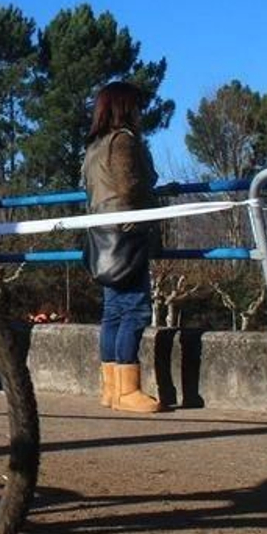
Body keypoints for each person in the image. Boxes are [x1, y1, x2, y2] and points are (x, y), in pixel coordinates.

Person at [81, 82, 162, 414]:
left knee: (113, 312)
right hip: (127, 236)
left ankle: (112, 388)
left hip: (102, 236)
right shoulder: (124, 141)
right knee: (135, 310)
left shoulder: (95, 146)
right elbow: (135, 186)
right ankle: (128, 390)